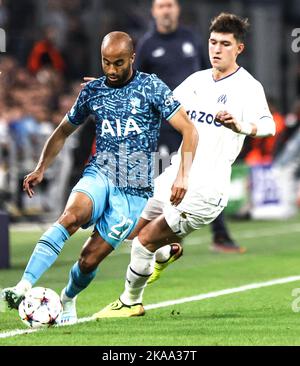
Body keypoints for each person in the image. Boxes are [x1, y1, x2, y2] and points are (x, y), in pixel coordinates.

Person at [1, 31, 198, 324]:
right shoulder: (93, 92)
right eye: (106, 63)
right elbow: (63, 131)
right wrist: (41, 166)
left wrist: (182, 176)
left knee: (88, 259)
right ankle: (23, 286)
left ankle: (68, 300)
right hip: (100, 172)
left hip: (133, 192)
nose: (111, 70)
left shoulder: (152, 88)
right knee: (70, 216)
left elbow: (189, 130)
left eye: (119, 63)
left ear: (132, 58)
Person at [93, 12, 276, 318]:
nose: (217, 50)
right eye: (213, 42)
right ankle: (166, 253)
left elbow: (269, 126)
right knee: (126, 231)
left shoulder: (248, 88)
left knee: (143, 242)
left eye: (225, 44)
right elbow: (157, 104)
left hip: (206, 190)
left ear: (239, 48)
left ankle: (129, 302)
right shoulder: (197, 81)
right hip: (175, 175)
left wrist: (241, 126)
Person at [135, 0, 244, 253]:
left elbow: (213, 75)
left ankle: (219, 236)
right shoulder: (147, 45)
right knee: (165, 182)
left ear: (177, 9)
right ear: (154, 11)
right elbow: (137, 84)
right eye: (161, 6)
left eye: (170, 5)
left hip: (195, 125)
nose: (166, 10)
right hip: (164, 126)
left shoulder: (193, 40)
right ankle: (161, 239)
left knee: (204, 178)